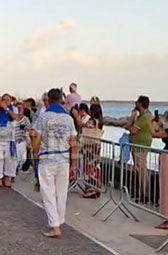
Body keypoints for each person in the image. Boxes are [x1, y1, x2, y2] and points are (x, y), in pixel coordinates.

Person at [31, 88, 78, 238]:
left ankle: (54, 225)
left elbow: (37, 139)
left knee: (48, 192)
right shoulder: (68, 119)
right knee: (61, 192)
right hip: (64, 158)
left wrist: (34, 154)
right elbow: (74, 142)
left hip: (47, 157)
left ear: (48, 100)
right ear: (62, 100)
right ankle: (59, 220)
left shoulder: (44, 117)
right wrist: (75, 163)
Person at [126, 96, 154, 203]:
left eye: (137, 102)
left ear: (140, 104)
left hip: (141, 147)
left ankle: (145, 194)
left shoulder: (145, 117)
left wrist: (132, 118)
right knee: (139, 170)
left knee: (142, 171)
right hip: (137, 146)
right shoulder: (142, 116)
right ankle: (142, 192)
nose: (135, 103)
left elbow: (132, 130)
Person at [80, 104, 104, 199]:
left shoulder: (92, 121)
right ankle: (97, 187)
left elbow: (83, 127)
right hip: (97, 146)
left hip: (90, 147)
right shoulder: (100, 122)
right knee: (96, 167)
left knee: (89, 167)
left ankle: (91, 189)